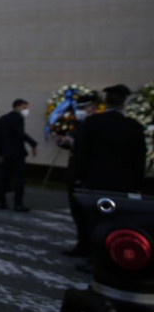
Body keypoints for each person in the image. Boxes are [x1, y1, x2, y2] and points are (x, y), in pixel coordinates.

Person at [74, 85, 145, 193]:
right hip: (123, 182)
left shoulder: (92, 122)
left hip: (94, 180)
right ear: (123, 104)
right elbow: (139, 158)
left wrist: (80, 177)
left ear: (106, 102)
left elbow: (82, 151)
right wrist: (137, 185)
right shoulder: (134, 126)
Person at [57, 92, 97, 256]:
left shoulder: (95, 124)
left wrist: (73, 142)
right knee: (77, 212)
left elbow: (90, 148)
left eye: (84, 107)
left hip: (88, 173)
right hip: (75, 171)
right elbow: (76, 145)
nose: (81, 111)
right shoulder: (79, 124)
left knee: (87, 214)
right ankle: (82, 244)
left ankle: (90, 247)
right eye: (79, 107)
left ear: (92, 108)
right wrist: (65, 142)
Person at [0, 99, 37, 211]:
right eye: (24, 107)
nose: (26, 110)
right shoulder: (18, 118)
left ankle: (2, 201)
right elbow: (20, 134)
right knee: (19, 179)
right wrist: (33, 143)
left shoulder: (3, 118)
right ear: (17, 107)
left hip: (5, 152)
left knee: (5, 177)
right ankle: (18, 203)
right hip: (17, 153)